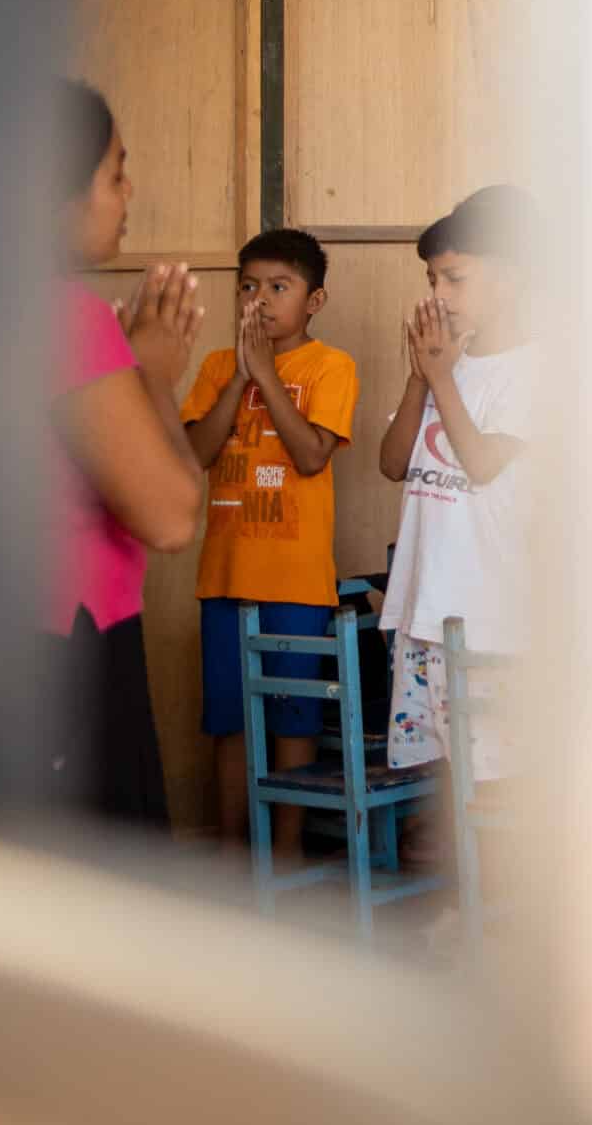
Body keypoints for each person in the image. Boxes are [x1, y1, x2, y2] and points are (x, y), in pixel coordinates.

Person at [48, 80, 206, 825]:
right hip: (69, 665)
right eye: (115, 171)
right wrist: (153, 378)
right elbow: (172, 516)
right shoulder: (61, 320)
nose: (127, 189)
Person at [180, 227, 358, 853]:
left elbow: (311, 456)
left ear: (315, 300)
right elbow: (197, 454)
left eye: (279, 287)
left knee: (292, 722)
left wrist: (268, 376)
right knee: (229, 724)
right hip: (225, 579)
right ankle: (232, 850)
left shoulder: (331, 366)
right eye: (249, 286)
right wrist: (241, 378)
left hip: (296, 583)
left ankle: (284, 852)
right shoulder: (216, 366)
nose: (261, 299)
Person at [376, 186, 538, 822]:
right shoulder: (447, 365)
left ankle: (504, 917)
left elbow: (480, 462)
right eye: (432, 278)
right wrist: (423, 373)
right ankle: (465, 908)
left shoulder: (538, 370)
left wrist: (441, 376)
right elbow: (393, 463)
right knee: (452, 778)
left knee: (501, 782)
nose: (437, 294)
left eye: (455, 277)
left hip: (492, 614)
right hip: (429, 607)